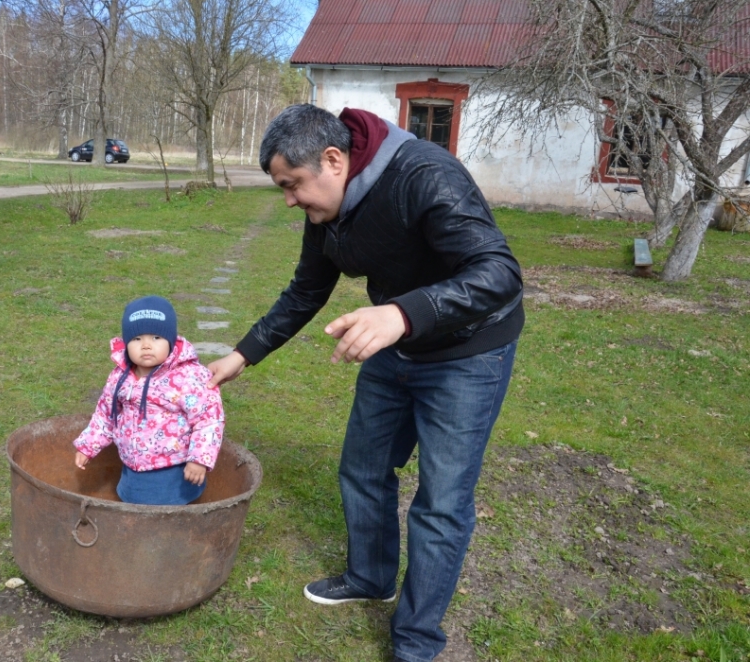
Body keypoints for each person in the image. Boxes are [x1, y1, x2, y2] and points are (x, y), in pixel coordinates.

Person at [207, 104, 524, 662]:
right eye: (282, 188)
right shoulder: (327, 211)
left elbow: (499, 273)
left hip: (467, 352)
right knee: (363, 468)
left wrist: (401, 313)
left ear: (334, 160)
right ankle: (371, 577)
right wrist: (242, 355)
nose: (290, 201)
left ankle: (416, 642)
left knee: (442, 503)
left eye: (292, 184)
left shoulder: (425, 175)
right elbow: (307, 290)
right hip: (394, 341)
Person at [74, 295, 224, 506]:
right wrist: (87, 446)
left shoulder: (188, 377)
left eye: (156, 338)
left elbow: (208, 419)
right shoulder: (120, 377)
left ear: (170, 341)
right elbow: (106, 414)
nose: (146, 345)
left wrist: (199, 459)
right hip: (132, 468)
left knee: (167, 514)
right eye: (136, 339)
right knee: (132, 507)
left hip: (172, 470)